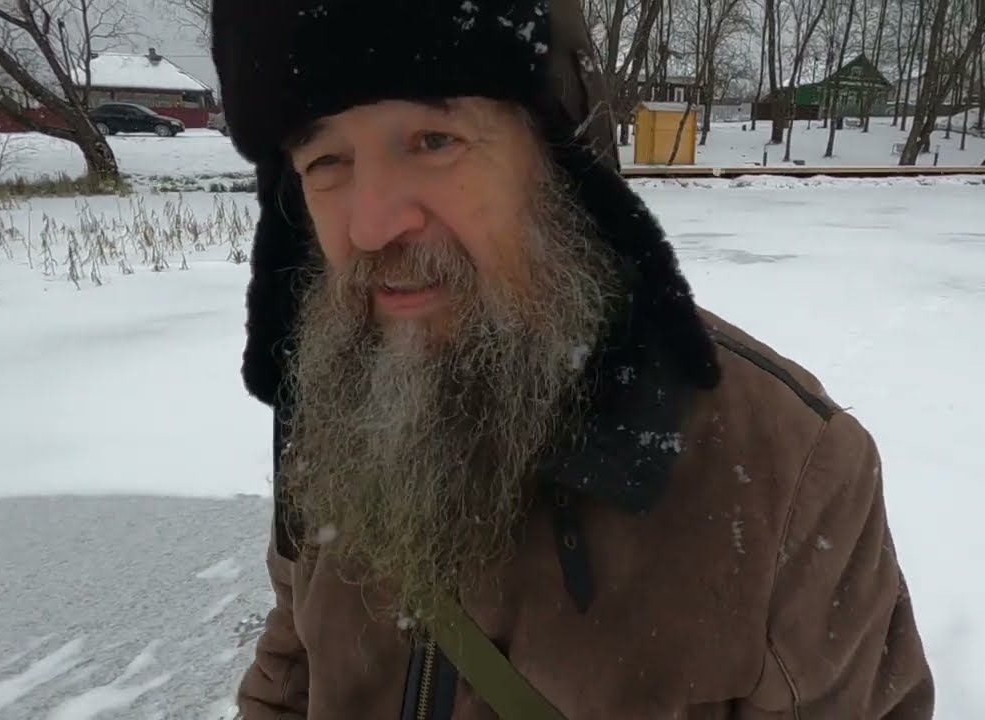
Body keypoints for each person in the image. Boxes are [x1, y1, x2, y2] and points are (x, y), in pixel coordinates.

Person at [212, 1, 933, 718]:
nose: (370, 226)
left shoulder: (790, 470)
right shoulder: (337, 391)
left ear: (561, 160)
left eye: (433, 140)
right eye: (327, 160)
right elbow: (294, 662)